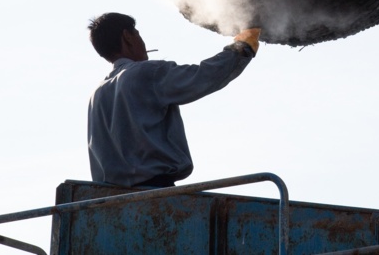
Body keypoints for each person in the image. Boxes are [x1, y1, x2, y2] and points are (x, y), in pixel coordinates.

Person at [86, 12, 261, 188]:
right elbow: (204, 76)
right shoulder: (144, 73)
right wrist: (243, 46)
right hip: (154, 193)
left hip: (110, 202)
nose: (142, 42)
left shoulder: (97, 95)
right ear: (127, 37)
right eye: (137, 34)